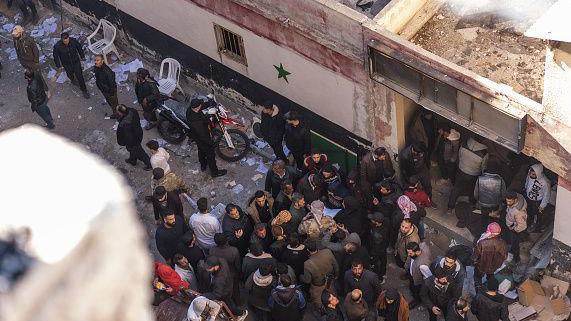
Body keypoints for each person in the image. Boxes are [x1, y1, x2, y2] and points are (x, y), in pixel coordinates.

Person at [186, 98, 227, 178]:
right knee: (210, 154)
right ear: (197, 107)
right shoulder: (197, 123)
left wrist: (210, 103)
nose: (201, 106)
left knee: (201, 150)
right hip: (202, 138)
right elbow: (203, 136)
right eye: (200, 105)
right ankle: (215, 173)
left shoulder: (190, 110)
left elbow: (202, 106)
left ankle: (203, 165)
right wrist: (212, 144)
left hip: (195, 136)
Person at [448, 137, 489, 214]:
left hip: (461, 170)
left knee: (456, 189)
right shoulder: (484, 153)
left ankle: (450, 207)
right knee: (472, 190)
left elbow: (459, 155)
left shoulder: (464, 143)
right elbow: (483, 166)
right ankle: (472, 205)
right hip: (473, 174)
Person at [300, 241, 339, 308]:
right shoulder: (328, 252)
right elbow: (336, 265)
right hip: (330, 281)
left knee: (318, 302)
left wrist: (301, 277)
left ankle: (323, 312)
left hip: (317, 286)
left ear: (307, 250)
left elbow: (308, 280)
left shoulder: (307, 264)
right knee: (332, 295)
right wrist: (336, 275)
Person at [53, 32, 90, 99]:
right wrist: (58, 65)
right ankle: (73, 80)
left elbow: (79, 48)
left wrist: (82, 56)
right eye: (64, 41)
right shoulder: (57, 46)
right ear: (62, 40)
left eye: (67, 40)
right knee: (70, 75)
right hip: (66, 64)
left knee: (80, 76)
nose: (66, 42)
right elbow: (55, 56)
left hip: (76, 62)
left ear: (69, 38)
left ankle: (84, 90)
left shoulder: (73, 41)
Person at [116, 104, 152, 170]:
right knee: (133, 151)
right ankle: (132, 160)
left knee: (140, 153)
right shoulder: (132, 111)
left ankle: (149, 165)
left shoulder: (125, 125)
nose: (117, 113)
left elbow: (127, 136)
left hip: (132, 141)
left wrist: (123, 142)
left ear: (121, 113)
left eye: (118, 112)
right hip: (138, 135)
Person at [472, 223, 508, 287]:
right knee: (490, 275)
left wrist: (474, 261)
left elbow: (475, 257)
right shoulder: (503, 243)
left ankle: (478, 289)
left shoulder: (482, 242)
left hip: (481, 266)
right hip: (494, 267)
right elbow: (505, 257)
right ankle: (491, 286)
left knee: (477, 278)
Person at [473, 163, 507, 230]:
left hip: (483, 203)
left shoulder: (480, 178)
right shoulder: (500, 180)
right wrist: (502, 201)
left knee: (484, 217)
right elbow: (503, 193)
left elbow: (476, 192)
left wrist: (477, 200)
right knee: (494, 216)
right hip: (495, 203)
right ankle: (493, 228)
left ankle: (483, 230)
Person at [13, 26, 46, 90]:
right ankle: (33, 88)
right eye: (14, 34)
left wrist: (36, 62)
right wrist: (19, 59)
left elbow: (36, 51)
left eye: (16, 34)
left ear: (21, 33)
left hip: (32, 62)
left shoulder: (29, 40)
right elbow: (17, 50)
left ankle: (45, 89)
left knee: (38, 76)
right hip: (24, 62)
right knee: (29, 76)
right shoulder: (15, 40)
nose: (15, 36)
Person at [524, 163, 551, 232]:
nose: (530, 175)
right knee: (529, 210)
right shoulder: (530, 174)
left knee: (536, 213)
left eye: (533, 174)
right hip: (528, 197)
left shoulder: (545, 182)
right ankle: (529, 219)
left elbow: (546, 195)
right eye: (530, 173)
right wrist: (525, 188)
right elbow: (527, 181)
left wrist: (542, 206)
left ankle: (535, 224)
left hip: (537, 201)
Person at [405, 242, 432, 308]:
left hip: (417, 280)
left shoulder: (423, 265)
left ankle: (417, 300)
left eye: (410, 253)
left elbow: (428, 276)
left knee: (417, 291)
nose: (408, 255)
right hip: (412, 274)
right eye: (408, 252)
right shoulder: (421, 246)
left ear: (417, 252)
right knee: (411, 287)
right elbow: (424, 243)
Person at [505, 190, 527, 263]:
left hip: (515, 229)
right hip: (512, 223)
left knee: (515, 244)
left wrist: (514, 229)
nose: (508, 203)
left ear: (515, 199)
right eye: (507, 201)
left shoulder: (518, 212)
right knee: (513, 242)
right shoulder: (519, 196)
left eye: (510, 202)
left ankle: (515, 259)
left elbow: (522, 226)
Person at [367, 212, 390, 284]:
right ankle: (383, 274)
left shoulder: (377, 235)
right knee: (383, 261)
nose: (371, 220)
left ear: (376, 222)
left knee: (376, 264)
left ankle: (380, 278)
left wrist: (372, 255)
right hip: (383, 249)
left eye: (373, 220)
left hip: (377, 251)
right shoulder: (385, 226)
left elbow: (375, 246)